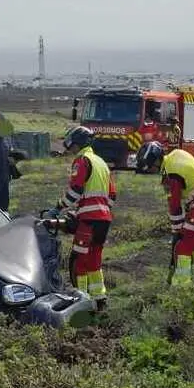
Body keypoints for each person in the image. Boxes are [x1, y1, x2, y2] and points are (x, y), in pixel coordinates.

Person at [135, 141, 194, 287]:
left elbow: (175, 207)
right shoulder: (176, 155)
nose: (151, 170)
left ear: (155, 161)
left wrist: (177, 232)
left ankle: (181, 287)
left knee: (183, 245)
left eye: (150, 167)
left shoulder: (171, 174)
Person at [53, 126, 116, 310]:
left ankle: (80, 301)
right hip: (104, 220)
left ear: (77, 143)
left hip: (88, 220)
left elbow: (75, 190)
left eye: (71, 145)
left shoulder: (82, 160)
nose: (70, 149)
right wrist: (101, 210)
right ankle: (99, 298)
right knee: (94, 259)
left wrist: (58, 208)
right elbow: (112, 196)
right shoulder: (101, 163)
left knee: (78, 260)